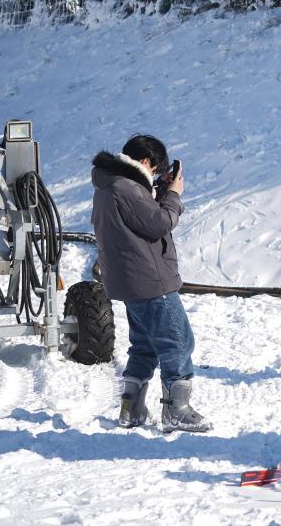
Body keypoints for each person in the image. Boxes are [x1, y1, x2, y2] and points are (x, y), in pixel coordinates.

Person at [91, 135, 211, 433]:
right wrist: (173, 195)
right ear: (146, 162)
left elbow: (140, 220)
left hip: (131, 281)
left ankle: (131, 408)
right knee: (178, 343)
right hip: (150, 281)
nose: (156, 175)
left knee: (144, 346)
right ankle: (177, 411)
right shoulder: (126, 188)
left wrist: (157, 191)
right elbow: (159, 224)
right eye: (156, 169)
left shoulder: (111, 184)